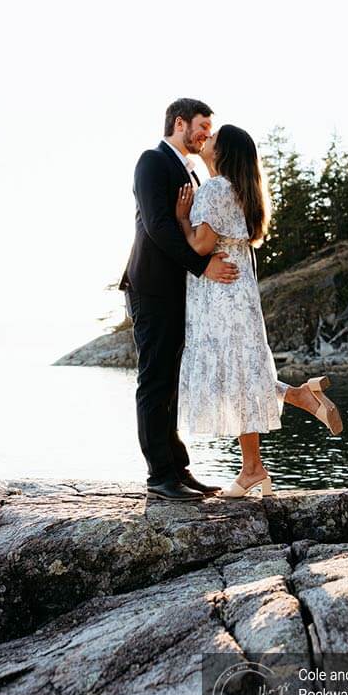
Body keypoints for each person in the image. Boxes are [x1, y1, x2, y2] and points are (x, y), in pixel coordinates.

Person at [175, 124, 343, 498]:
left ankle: (257, 463)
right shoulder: (241, 191)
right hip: (241, 293)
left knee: (235, 376)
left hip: (221, 295)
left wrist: (183, 217)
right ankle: (264, 453)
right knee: (241, 373)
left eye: (213, 138)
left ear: (223, 152)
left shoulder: (214, 189)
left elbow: (200, 246)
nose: (206, 138)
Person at [120, 99, 240, 502]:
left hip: (177, 290)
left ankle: (178, 468)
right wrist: (202, 266)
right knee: (155, 380)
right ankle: (159, 475)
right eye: (203, 125)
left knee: (171, 381)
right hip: (152, 287)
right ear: (180, 122)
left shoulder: (192, 170)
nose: (207, 133)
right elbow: (157, 226)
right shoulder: (152, 161)